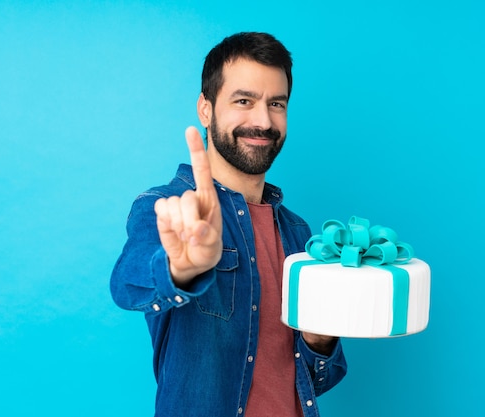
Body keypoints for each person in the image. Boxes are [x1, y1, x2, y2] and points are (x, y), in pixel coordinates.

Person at [110, 31, 347, 417]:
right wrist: (182, 268)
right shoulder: (167, 207)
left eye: (276, 104)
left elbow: (318, 378)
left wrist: (319, 338)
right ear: (205, 109)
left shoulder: (299, 233)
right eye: (244, 101)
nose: (263, 121)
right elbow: (126, 284)